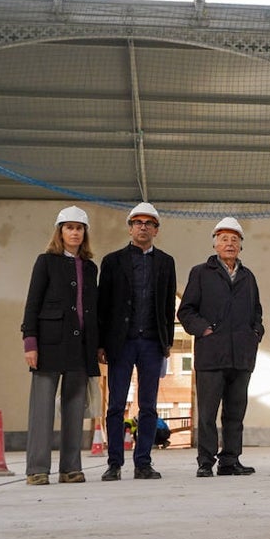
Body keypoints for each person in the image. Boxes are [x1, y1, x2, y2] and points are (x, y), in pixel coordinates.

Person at [177, 217, 264, 478]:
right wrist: (204, 329)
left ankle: (230, 460)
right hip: (211, 355)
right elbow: (186, 310)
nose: (229, 244)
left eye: (234, 240)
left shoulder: (248, 277)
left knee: (235, 413)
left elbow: (256, 312)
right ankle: (205, 461)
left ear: (240, 246)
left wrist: (255, 333)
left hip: (241, 356)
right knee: (207, 413)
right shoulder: (200, 273)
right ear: (215, 244)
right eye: (224, 239)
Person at [20, 205, 100, 485]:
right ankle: (37, 469)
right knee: (42, 409)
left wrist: (97, 345)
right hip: (49, 343)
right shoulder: (46, 262)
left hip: (81, 346)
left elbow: (92, 309)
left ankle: (71, 468)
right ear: (60, 231)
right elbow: (32, 303)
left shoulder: (91, 268)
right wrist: (30, 342)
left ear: (84, 233)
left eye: (79, 228)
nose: (74, 233)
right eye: (69, 228)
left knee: (75, 408)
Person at [98, 202, 177, 480]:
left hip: (152, 343)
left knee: (148, 405)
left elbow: (168, 305)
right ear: (130, 228)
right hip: (121, 343)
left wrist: (167, 341)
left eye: (149, 223)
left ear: (156, 230)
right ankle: (114, 463)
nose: (143, 227)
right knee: (116, 405)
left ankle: (143, 462)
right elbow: (102, 305)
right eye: (138, 222)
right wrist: (101, 343)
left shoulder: (166, 262)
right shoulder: (112, 261)